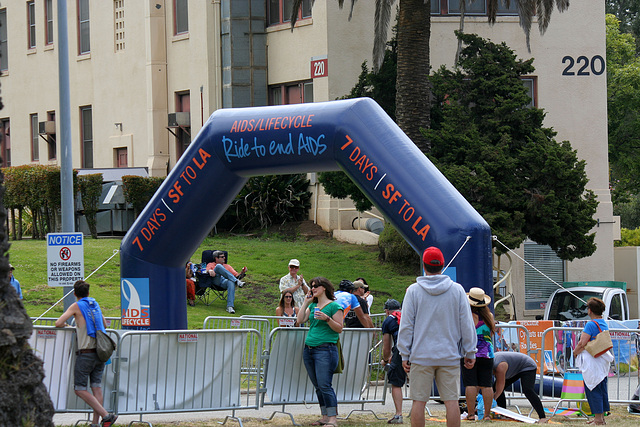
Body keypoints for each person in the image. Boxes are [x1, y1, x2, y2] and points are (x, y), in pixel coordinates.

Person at [397, 246, 477, 427]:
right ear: (442, 265)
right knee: (451, 401)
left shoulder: (413, 291)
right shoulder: (457, 290)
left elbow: (406, 325)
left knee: (419, 401)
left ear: (424, 266)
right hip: (448, 355)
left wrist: (404, 353)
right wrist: (469, 352)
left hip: (420, 355)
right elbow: (467, 324)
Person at [55, 280, 118, 427]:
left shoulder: (76, 305)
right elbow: (104, 322)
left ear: (75, 293)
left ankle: (106, 415)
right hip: (101, 353)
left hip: (86, 353)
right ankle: (95, 424)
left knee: (79, 389)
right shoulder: (94, 304)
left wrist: (67, 325)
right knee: (96, 387)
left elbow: (58, 323)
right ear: (88, 293)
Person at [296, 277, 344, 427]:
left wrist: (327, 319)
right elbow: (300, 320)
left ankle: (332, 419)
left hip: (326, 349)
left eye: (316, 286)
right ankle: (324, 416)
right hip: (309, 349)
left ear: (324, 288)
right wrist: (306, 302)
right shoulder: (314, 305)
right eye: (312, 286)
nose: (313, 288)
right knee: (318, 386)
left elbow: (339, 328)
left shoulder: (334, 306)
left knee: (325, 385)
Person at [573, 297, 614, 426]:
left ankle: (597, 419)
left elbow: (582, 343)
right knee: (601, 388)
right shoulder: (603, 322)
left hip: (592, 360)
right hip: (602, 359)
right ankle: (601, 418)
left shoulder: (591, 324)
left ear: (590, 310)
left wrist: (574, 353)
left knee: (593, 388)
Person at [461, 287, 495, 421]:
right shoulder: (489, 316)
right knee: (487, 385)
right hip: (487, 353)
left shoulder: (466, 316)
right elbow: (491, 334)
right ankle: (486, 415)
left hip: (469, 352)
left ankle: (470, 414)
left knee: (470, 384)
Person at [493, 351, 548, 423]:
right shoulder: (488, 366)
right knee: (495, 387)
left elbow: (500, 385)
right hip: (515, 367)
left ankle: (542, 417)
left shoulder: (500, 366)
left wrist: (493, 399)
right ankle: (503, 413)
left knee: (528, 390)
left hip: (528, 365)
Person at [381, 299, 406, 424]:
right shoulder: (408, 315)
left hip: (401, 350)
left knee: (396, 382)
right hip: (418, 350)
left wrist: (385, 360)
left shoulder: (389, 320)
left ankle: (398, 414)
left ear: (387, 311)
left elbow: (386, 346)